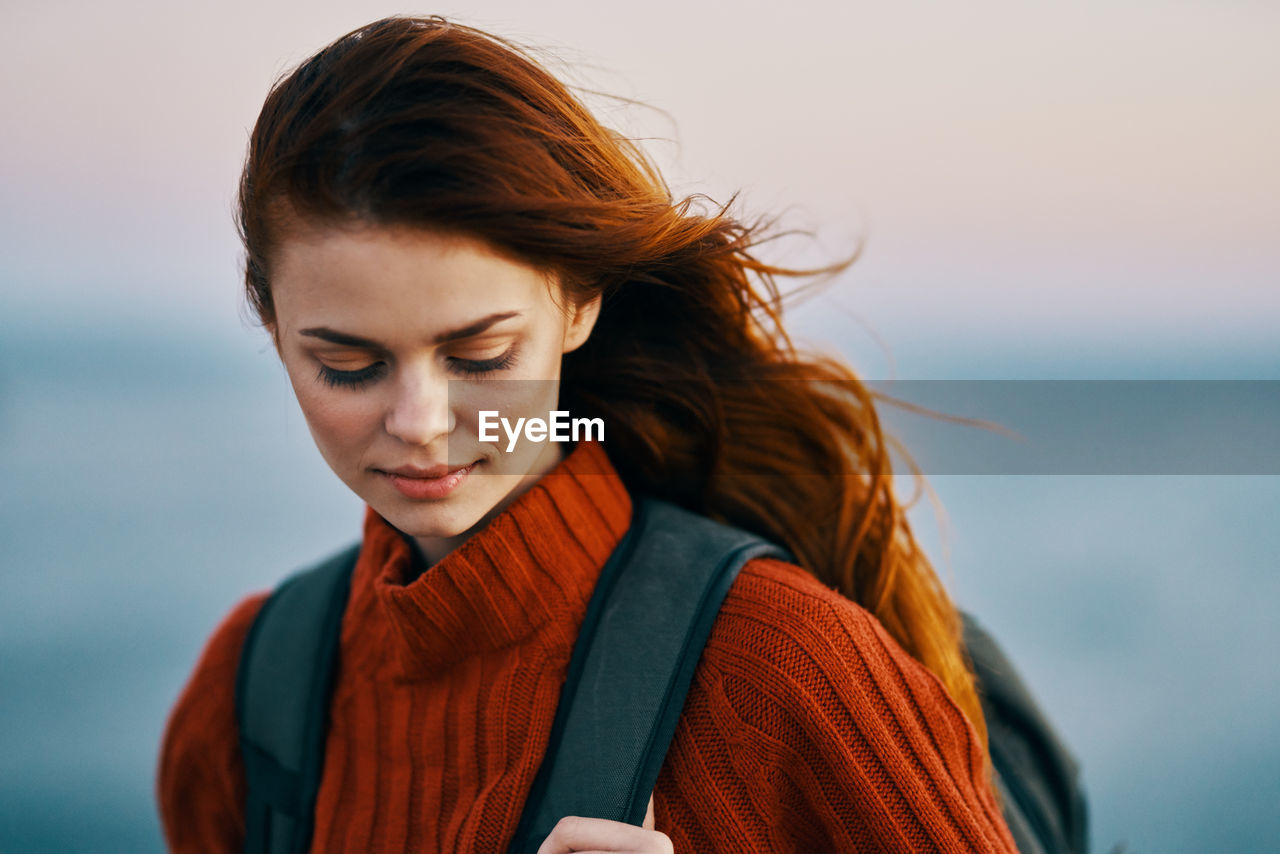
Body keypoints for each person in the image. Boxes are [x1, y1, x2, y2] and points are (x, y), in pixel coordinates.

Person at [158, 14, 1022, 853]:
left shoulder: (786, 669)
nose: (420, 424)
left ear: (579, 303)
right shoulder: (250, 690)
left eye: (482, 354)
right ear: (271, 325)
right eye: (348, 365)